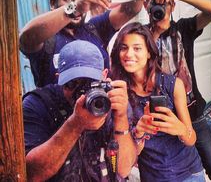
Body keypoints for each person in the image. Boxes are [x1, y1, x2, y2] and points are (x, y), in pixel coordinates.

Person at [146, 0, 211, 182]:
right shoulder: (141, 36)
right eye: (153, 3)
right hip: (161, 121)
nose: (158, 8)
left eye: (163, 2)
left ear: (172, 5)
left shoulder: (184, 28)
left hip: (194, 116)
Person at [23, 40, 136, 181]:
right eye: (72, 84)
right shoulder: (38, 104)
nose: (82, 93)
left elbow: (123, 169)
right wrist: (74, 125)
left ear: (104, 76)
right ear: (60, 79)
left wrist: (121, 117)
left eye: (90, 83)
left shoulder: (112, 99)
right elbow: (31, 174)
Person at [110, 22, 205, 182]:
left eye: (137, 48)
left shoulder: (173, 85)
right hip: (153, 177)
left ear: (149, 52)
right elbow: (128, 158)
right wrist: (138, 134)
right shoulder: (120, 94)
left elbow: (191, 139)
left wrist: (180, 129)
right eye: (124, 47)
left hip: (189, 173)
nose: (129, 54)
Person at [19, 0, 147, 87]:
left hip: (99, 109)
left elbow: (130, 10)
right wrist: (75, 8)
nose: (78, 3)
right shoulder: (46, 37)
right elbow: (26, 38)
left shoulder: (95, 29)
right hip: (60, 112)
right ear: (53, 3)